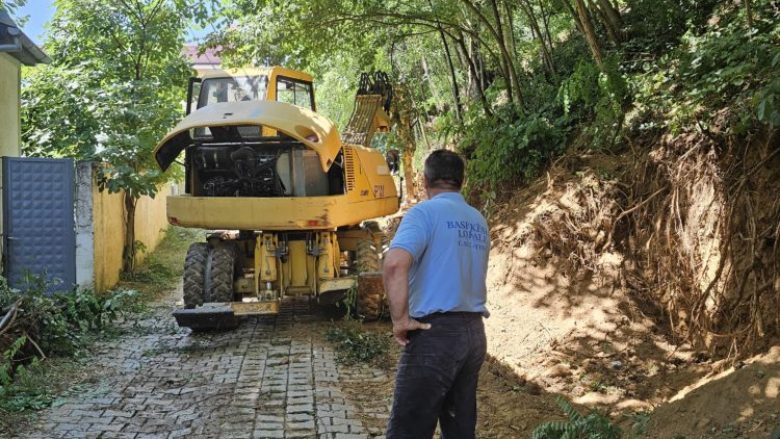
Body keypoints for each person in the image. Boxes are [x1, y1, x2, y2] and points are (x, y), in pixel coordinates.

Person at [383, 149, 490, 439]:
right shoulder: (477, 219)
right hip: (473, 335)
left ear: (424, 180)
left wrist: (400, 320)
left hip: (435, 336)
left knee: (408, 431)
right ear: (461, 182)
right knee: (458, 430)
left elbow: (394, 264)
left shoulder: (424, 213)